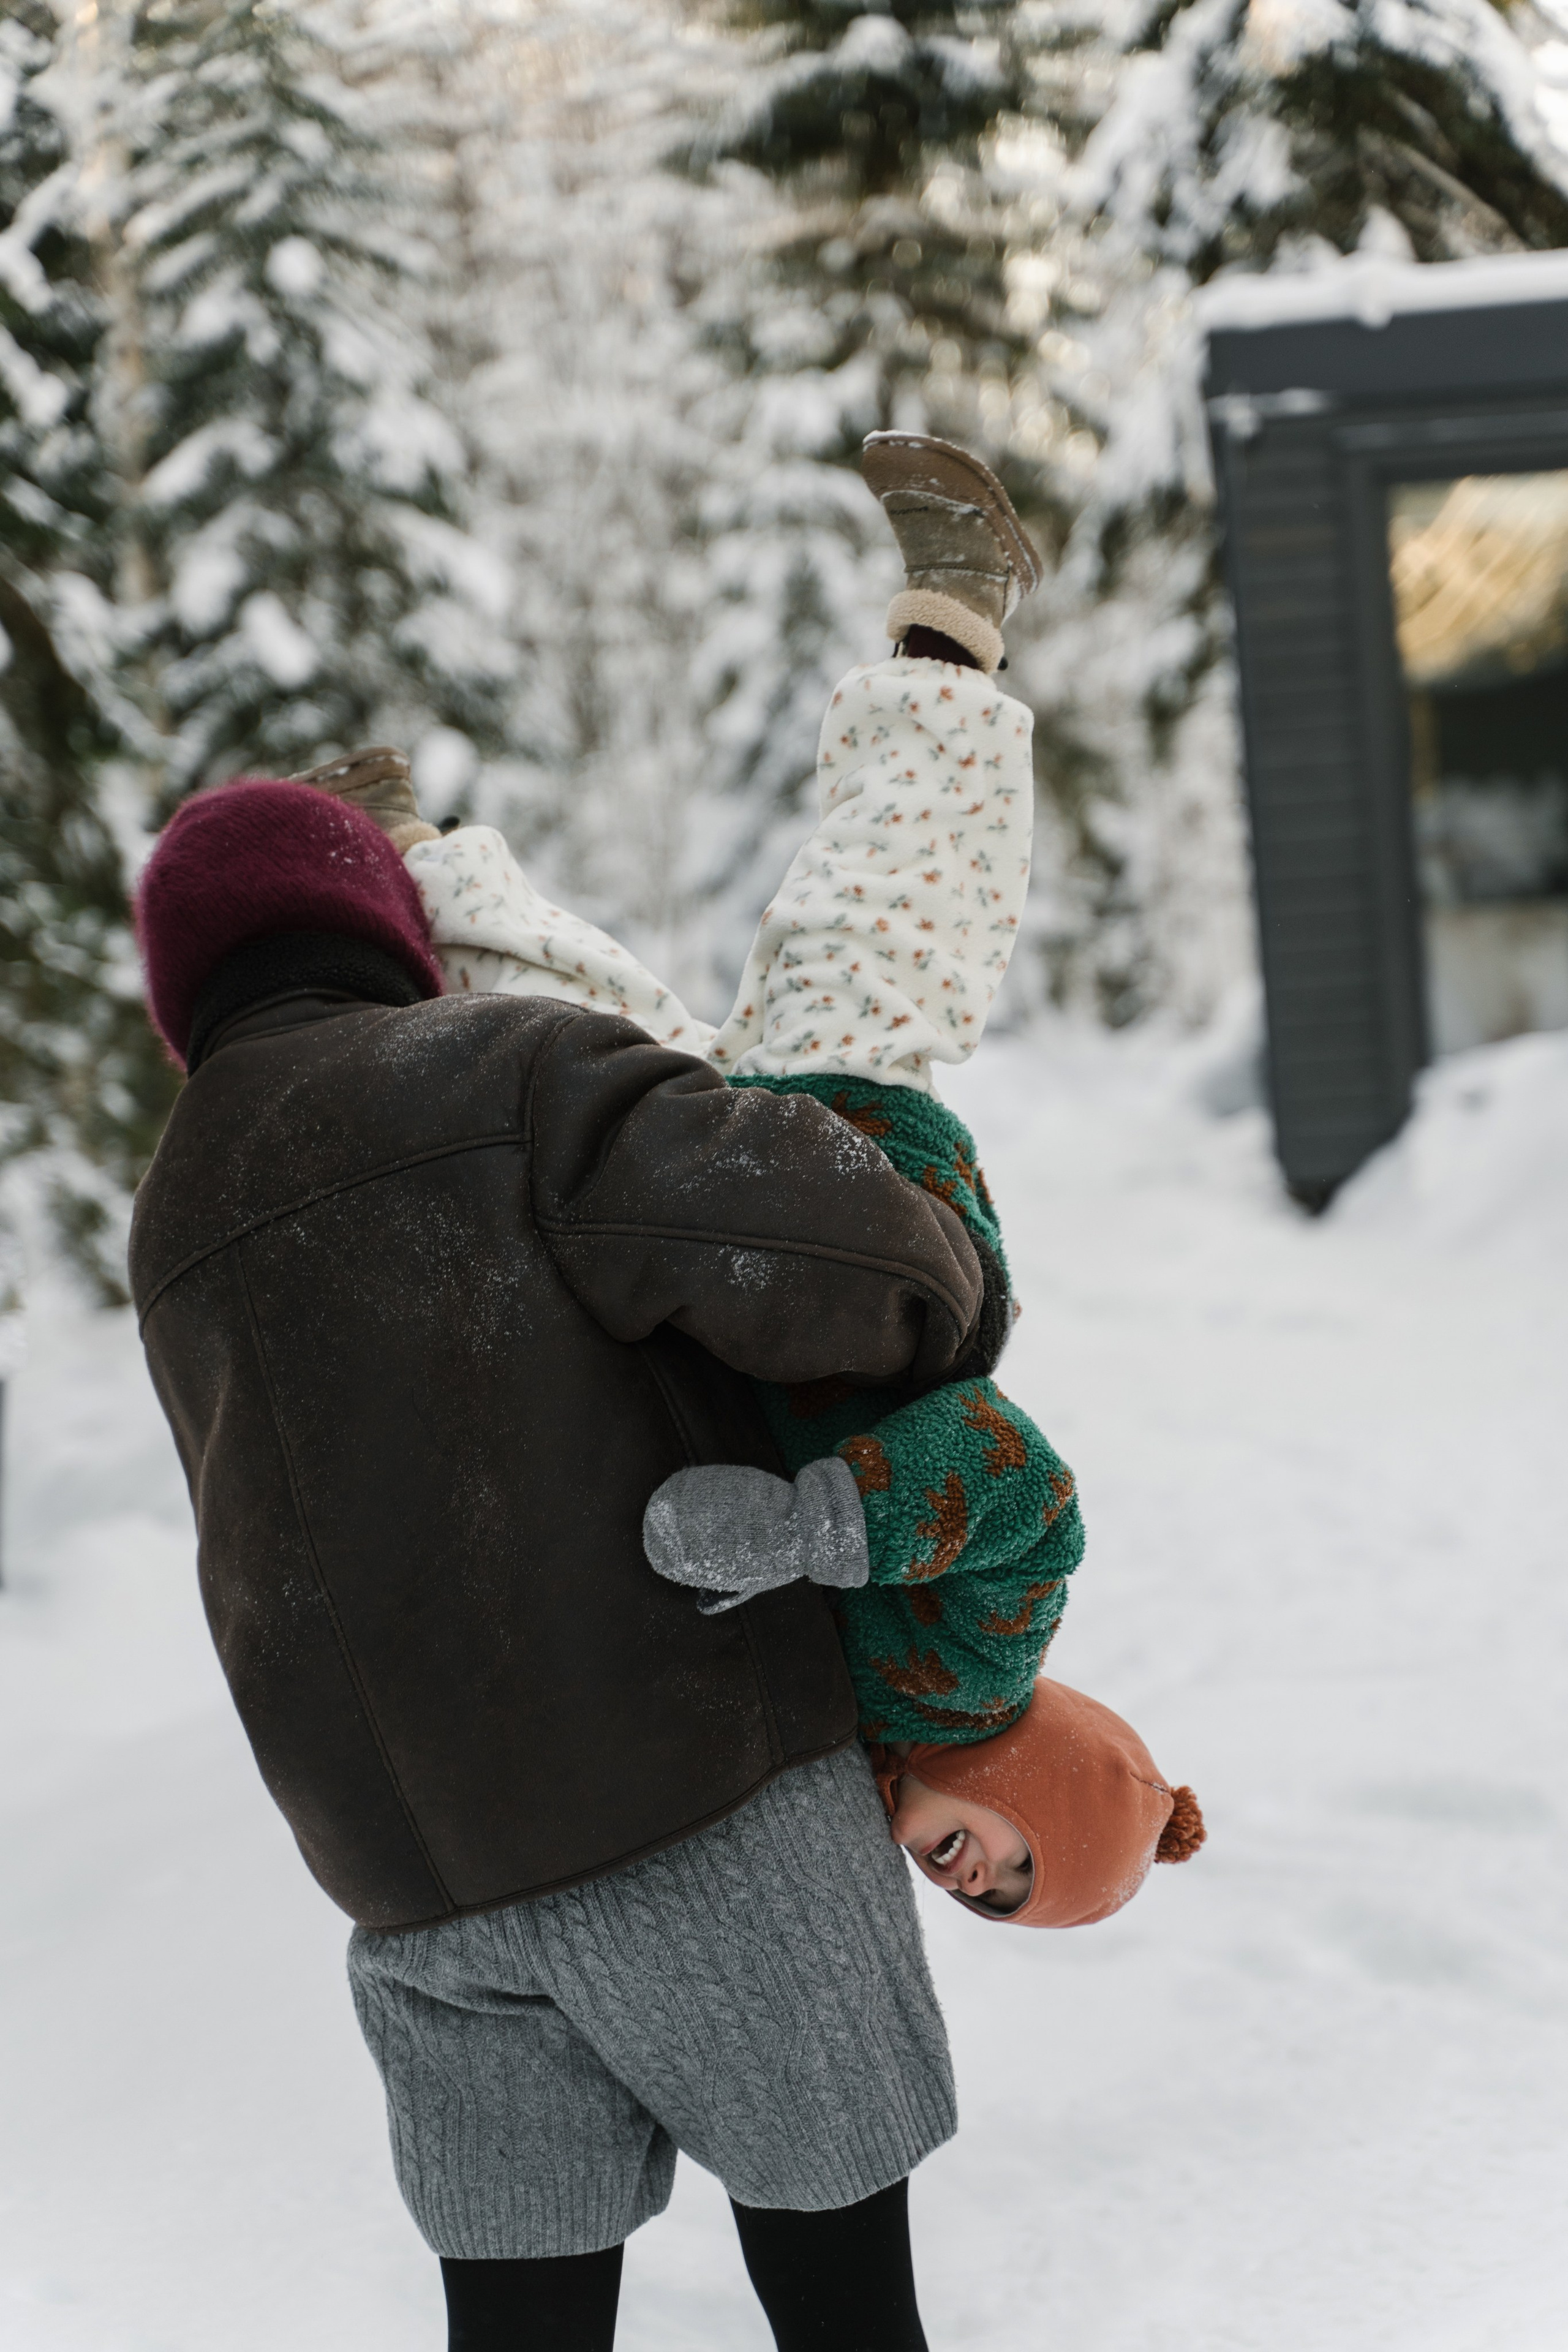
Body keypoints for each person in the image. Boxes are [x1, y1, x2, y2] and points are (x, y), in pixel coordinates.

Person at [129, 769, 1003, 2350]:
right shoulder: (504, 1068)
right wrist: (948, 1278)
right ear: (393, 929)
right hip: (697, 1803)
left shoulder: (172, 1211)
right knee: (845, 2305)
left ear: (177, 994)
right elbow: (835, 1257)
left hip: (417, 1898)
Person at [296, 435, 1204, 1929]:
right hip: (846, 1205)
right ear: (1030, 1776)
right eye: (1019, 1851)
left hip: (715, 1261)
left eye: (994, 1901)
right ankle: (956, 612)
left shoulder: (848, 1764)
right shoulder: (981, 1664)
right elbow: (1022, 1488)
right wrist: (814, 1529)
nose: (978, 1872)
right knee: (872, 914)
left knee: (546, 1048)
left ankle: (394, 840)